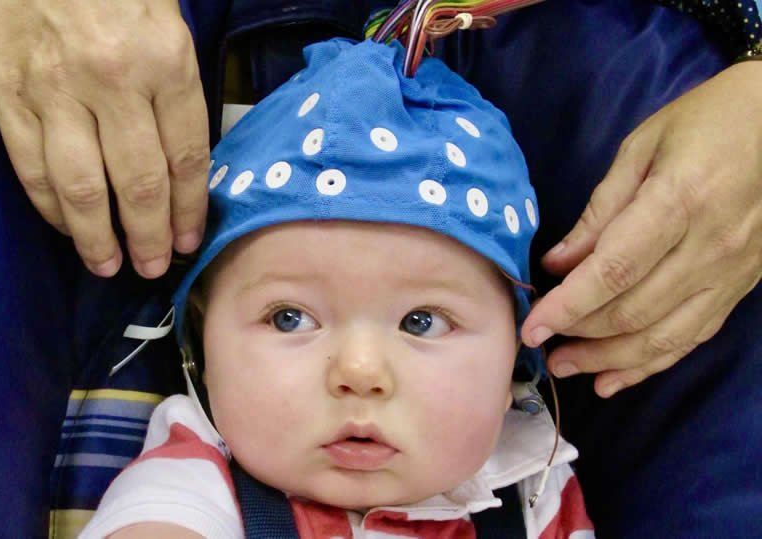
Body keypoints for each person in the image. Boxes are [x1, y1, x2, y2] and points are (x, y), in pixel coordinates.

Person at [79, 38, 594, 539]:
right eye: (289, 317)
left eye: (423, 321)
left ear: (514, 360)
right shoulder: (191, 483)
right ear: (203, 345)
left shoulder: (534, 491)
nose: (360, 372)